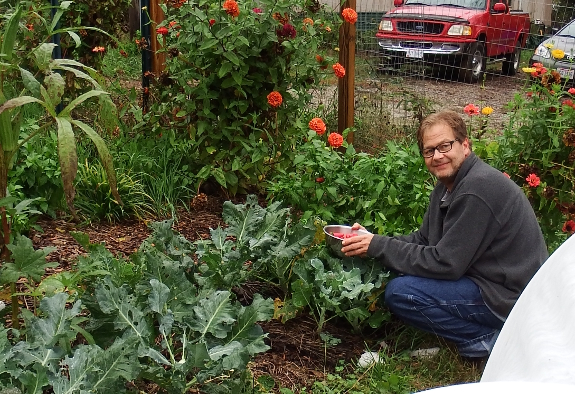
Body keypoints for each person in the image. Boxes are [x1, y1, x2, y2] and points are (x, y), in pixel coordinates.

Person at [341, 110, 548, 362]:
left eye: (445, 146)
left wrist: (379, 246)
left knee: (402, 293)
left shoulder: (477, 189)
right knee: (404, 272)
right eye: (429, 150)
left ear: (465, 145)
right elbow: (424, 241)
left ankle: (486, 340)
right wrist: (370, 240)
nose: (437, 156)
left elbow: (445, 263)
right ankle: (486, 336)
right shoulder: (448, 186)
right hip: (487, 281)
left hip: (511, 298)